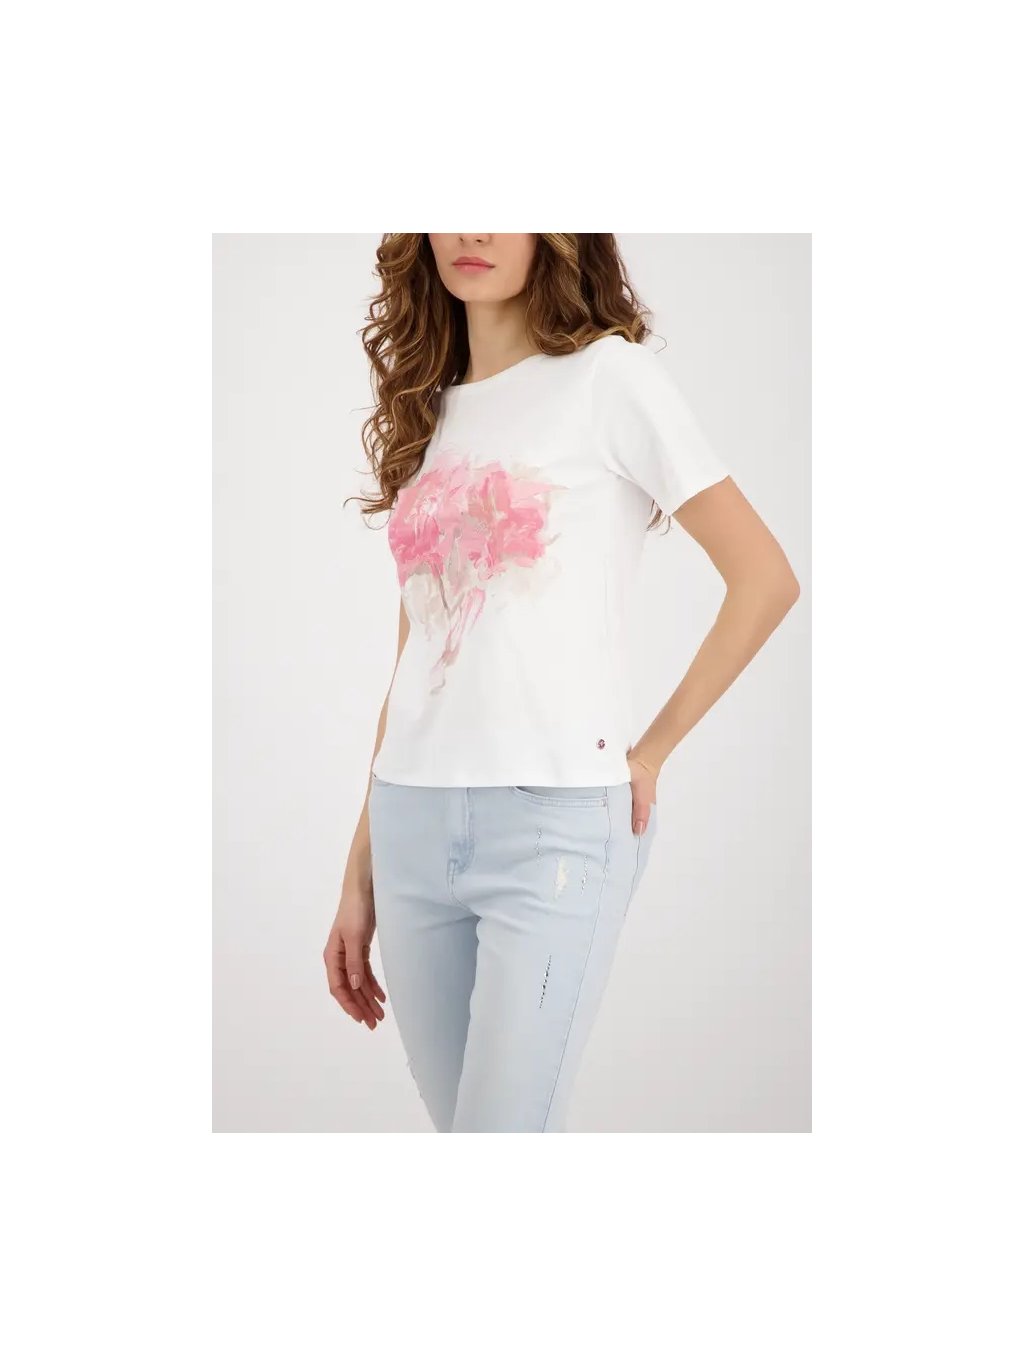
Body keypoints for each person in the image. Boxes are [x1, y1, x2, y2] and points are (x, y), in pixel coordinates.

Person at [324, 233, 800, 1132]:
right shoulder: (431, 408)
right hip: (409, 821)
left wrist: (650, 752)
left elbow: (765, 578)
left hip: (554, 828)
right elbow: (415, 654)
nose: (473, 230)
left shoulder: (609, 380)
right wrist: (361, 868)